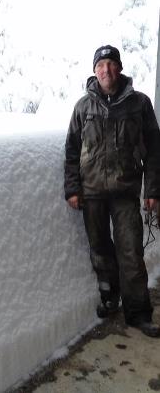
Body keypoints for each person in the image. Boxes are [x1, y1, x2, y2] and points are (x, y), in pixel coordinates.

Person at [64, 45, 160, 338]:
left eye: (111, 64)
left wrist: (152, 190)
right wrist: (72, 188)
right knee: (100, 251)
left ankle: (139, 313)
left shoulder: (139, 103)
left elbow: (154, 150)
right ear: (95, 71)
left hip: (125, 192)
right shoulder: (83, 107)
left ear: (120, 68)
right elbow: (71, 150)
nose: (106, 70)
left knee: (130, 252)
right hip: (91, 193)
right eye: (101, 65)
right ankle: (110, 297)